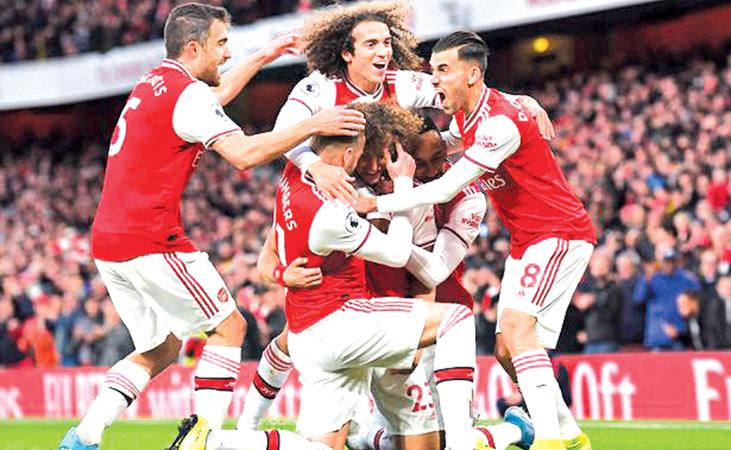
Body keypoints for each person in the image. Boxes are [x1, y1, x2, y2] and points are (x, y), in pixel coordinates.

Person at [58, 4, 366, 450]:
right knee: (230, 328)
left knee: (162, 347)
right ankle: (204, 438)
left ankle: (82, 437)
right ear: (194, 46)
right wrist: (312, 124)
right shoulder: (188, 95)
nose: (226, 53)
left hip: (109, 239)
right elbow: (243, 155)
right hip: (151, 238)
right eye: (221, 44)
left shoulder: (155, 82)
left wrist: (262, 57)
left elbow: (212, 101)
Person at [171, 102, 477, 450]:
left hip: (314, 334)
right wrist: (403, 185)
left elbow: (270, 253)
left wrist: (283, 273)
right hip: (343, 324)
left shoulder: (292, 178)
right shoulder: (334, 208)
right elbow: (396, 252)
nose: (375, 166)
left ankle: (212, 442)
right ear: (349, 154)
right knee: (457, 319)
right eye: (365, 154)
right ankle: (462, 443)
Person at [359, 31, 597, 450]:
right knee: (508, 348)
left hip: (558, 232)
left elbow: (444, 187)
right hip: (527, 241)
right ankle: (570, 433)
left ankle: (549, 441)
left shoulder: (498, 124)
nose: (435, 80)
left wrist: (375, 204)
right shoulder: (467, 119)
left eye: (443, 70)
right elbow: (435, 145)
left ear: (472, 74)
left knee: (517, 330)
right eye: (433, 71)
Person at [273, 0, 554, 206]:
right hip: (320, 188)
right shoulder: (320, 87)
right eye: (371, 44)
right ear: (347, 53)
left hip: (372, 191)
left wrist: (517, 99)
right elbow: (282, 134)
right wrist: (316, 167)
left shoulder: (402, 83)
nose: (383, 51)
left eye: (386, 42)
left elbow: (467, 95)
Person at [633, 246, 701, 351]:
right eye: (666, 261)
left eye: (672, 261)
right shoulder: (652, 278)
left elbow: (695, 305)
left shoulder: (686, 279)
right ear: (661, 262)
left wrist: (680, 329)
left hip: (680, 335)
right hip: (657, 335)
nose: (669, 265)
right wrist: (646, 279)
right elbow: (639, 299)